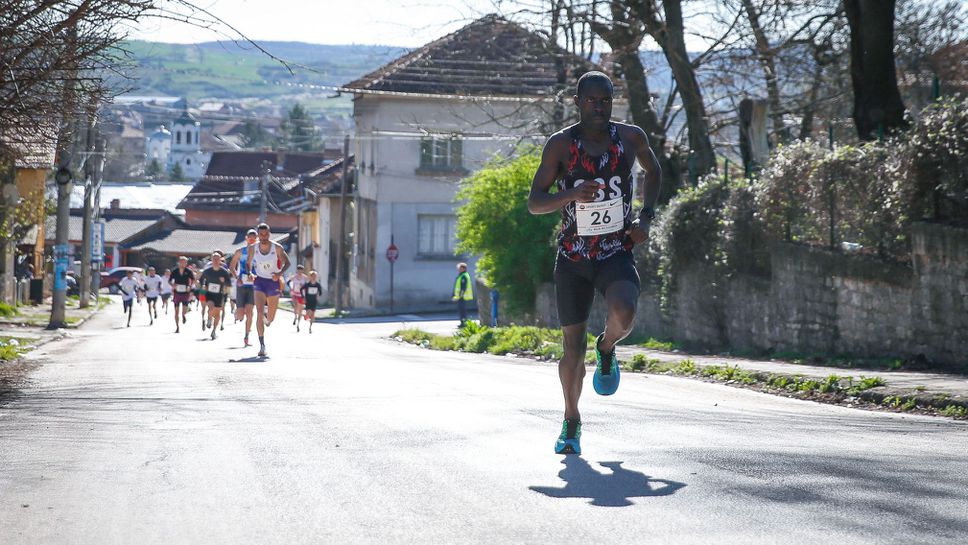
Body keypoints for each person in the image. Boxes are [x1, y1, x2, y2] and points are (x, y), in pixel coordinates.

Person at [527, 71, 661, 455]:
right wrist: (570, 193)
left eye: (606, 101)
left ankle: (607, 347)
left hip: (615, 250)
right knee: (571, 349)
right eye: (592, 101)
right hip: (572, 257)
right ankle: (571, 421)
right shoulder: (561, 146)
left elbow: (655, 172)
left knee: (626, 312)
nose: (599, 108)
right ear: (578, 102)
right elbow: (535, 202)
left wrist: (645, 218)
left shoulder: (632, 138)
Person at [245, 223, 291, 357]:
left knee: (270, 319)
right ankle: (262, 345)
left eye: (266, 234)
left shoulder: (277, 248)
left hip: (273, 282)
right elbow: (248, 263)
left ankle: (267, 317)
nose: (263, 237)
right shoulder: (253, 248)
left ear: (269, 234)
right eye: (261, 234)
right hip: (259, 281)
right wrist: (250, 273)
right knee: (258, 312)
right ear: (258, 235)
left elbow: (287, 263)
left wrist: (279, 274)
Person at [229, 229, 258, 346]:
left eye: (254, 238)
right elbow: (231, 267)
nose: (252, 240)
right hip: (242, 284)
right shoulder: (240, 251)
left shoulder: (260, 252)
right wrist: (237, 277)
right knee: (241, 314)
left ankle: (247, 336)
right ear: (246, 238)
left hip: (254, 285)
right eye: (250, 238)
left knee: (250, 312)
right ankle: (238, 312)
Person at [198, 251, 233, 340]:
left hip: (220, 294)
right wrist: (203, 287)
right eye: (214, 259)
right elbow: (201, 281)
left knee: (217, 314)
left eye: (218, 259)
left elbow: (229, 284)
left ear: (220, 260)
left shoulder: (224, 272)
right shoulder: (207, 271)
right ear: (211, 260)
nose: (216, 261)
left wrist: (223, 282)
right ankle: (209, 318)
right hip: (209, 293)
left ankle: (214, 331)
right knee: (211, 307)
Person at [170, 256, 195, 333]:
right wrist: (172, 285)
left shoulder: (188, 271)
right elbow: (170, 281)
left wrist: (190, 287)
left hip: (185, 293)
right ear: (179, 262)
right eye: (181, 262)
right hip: (177, 293)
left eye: (184, 262)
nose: (182, 263)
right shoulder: (175, 271)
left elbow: (193, 280)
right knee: (176, 311)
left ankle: (184, 315)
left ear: (186, 263)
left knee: (184, 310)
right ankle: (177, 327)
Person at [287, 264, 308, 332]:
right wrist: (291, 288)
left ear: (302, 270)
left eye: (301, 270)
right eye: (298, 270)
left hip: (301, 295)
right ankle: (295, 317)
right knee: (295, 307)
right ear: (297, 270)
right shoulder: (294, 277)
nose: (299, 271)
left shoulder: (305, 278)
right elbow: (288, 282)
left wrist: (304, 286)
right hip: (295, 294)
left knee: (300, 310)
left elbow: (308, 285)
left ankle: (298, 324)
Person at [452, 262, 474, 327]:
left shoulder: (464, 276)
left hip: (462, 297)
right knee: (462, 310)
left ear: (463, 268)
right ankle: (463, 322)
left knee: (462, 310)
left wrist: (460, 296)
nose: (458, 269)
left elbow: (463, 287)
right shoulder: (462, 275)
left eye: (459, 268)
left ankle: (463, 323)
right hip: (461, 296)